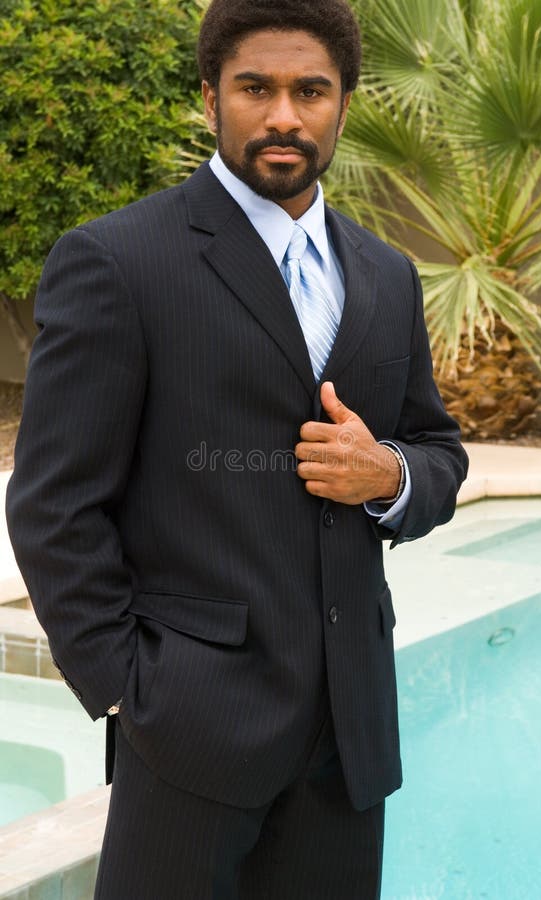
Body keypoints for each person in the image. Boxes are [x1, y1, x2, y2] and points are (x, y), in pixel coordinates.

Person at [6, 1, 468, 897]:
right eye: (257, 88)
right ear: (212, 98)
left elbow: (437, 448)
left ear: (344, 104)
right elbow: (53, 505)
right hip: (189, 736)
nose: (285, 114)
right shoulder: (116, 261)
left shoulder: (385, 274)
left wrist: (391, 476)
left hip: (350, 736)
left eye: (311, 90)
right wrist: (126, 690)